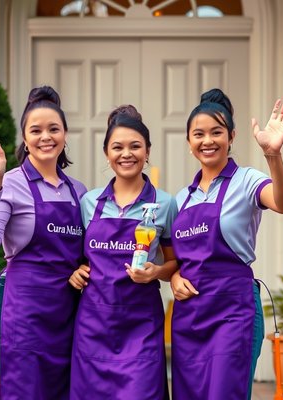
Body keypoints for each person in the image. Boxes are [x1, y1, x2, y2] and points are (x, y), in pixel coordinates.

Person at [170, 88, 283, 400]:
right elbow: (172, 259)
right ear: (189, 143)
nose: (208, 140)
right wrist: (173, 277)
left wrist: (273, 155)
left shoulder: (247, 181)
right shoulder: (180, 200)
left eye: (217, 132)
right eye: (198, 134)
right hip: (189, 318)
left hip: (233, 312)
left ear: (231, 136)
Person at [0, 86, 87, 399]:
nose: (46, 137)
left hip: (69, 313)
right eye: (36, 130)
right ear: (25, 137)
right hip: (24, 314)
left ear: (65, 134)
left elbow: (89, 251)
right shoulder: (11, 182)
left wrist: (84, 267)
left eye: (54, 129)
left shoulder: (79, 190)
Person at [68, 105, 178, 399]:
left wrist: (156, 272)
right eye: (117, 147)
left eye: (135, 146)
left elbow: (175, 264)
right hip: (93, 325)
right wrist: (76, 271)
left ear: (147, 151)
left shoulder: (164, 204)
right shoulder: (88, 203)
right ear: (106, 152)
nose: (126, 154)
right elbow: (75, 258)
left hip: (141, 325)